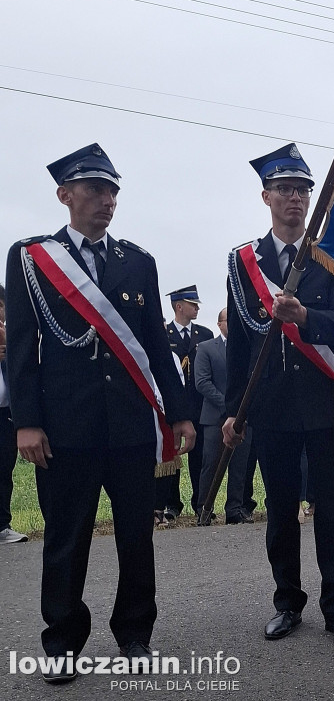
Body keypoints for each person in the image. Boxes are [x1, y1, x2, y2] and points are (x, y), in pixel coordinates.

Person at [5, 143, 194, 682]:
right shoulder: (31, 259)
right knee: (67, 539)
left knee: (137, 536)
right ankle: (63, 641)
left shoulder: (138, 261)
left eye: (112, 191)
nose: (106, 201)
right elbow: (21, 348)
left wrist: (178, 413)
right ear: (65, 195)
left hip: (131, 427)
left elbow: (156, 345)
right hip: (66, 430)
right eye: (93, 189)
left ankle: (135, 634)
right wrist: (28, 421)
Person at [222, 143, 334, 646]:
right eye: (284, 190)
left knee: (332, 511)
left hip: (324, 406)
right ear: (266, 197)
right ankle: (287, 603)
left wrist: (305, 317)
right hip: (274, 409)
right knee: (281, 512)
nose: (295, 199)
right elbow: (240, 342)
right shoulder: (244, 262)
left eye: (302, 190)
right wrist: (232, 411)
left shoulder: (328, 258)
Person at [194, 308, 254, 524]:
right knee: (210, 464)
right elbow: (202, 382)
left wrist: (240, 411)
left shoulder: (246, 348)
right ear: (219, 324)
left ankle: (235, 509)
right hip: (214, 418)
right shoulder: (207, 348)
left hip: (243, 418)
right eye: (229, 320)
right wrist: (230, 406)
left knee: (239, 466)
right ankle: (204, 509)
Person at [162, 285, 213, 519]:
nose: (197, 309)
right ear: (179, 306)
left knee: (200, 457)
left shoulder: (204, 334)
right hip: (173, 405)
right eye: (193, 305)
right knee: (173, 454)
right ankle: (172, 505)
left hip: (199, 404)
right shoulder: (164, 334)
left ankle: (200, 503)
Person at [0, 284, 28, 544]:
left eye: (1, 306)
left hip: (5, 413)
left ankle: (2, 524)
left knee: (4, 469)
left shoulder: (11, 335)